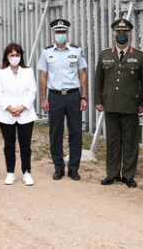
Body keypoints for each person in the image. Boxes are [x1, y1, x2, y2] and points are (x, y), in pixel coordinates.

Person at [94, 19, 143, 188]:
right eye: (118, 32)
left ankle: (128, 175)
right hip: (110, 104)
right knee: (112, 141)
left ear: (130, 34)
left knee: (130, 142)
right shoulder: (105, 55)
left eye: (125, 32)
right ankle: (112, 174)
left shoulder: (139, 56)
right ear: (113, 34)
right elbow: (99, 80)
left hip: (130, 105)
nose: (121, 35)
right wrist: (98, 100)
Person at [38, 19, 88, 181]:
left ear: (67, 33)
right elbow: (43, 76)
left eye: (63, 32)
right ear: (53, 33)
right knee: (55, 133)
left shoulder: (76, 51)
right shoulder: (47, 52)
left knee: (75, 133)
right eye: (57, 32)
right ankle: (58, 167)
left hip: (73, 96)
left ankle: (74, 168)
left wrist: (84, 96)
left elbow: (82, 74)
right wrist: (44, 98)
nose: (60, 35)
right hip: (55, 96)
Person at [0, 42, 37, 186]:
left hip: (25, 114)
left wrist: (23, 107)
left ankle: (27, 172)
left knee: (25, 145)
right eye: (12, 55)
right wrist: (9, 108)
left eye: (17, 55)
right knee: (9, 145)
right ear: (7, 56)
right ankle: (10, 173)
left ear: (21, 56)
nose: (14, 57)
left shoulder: (28, 71)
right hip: (7, 114)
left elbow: (32, 91)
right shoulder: (1, 72)